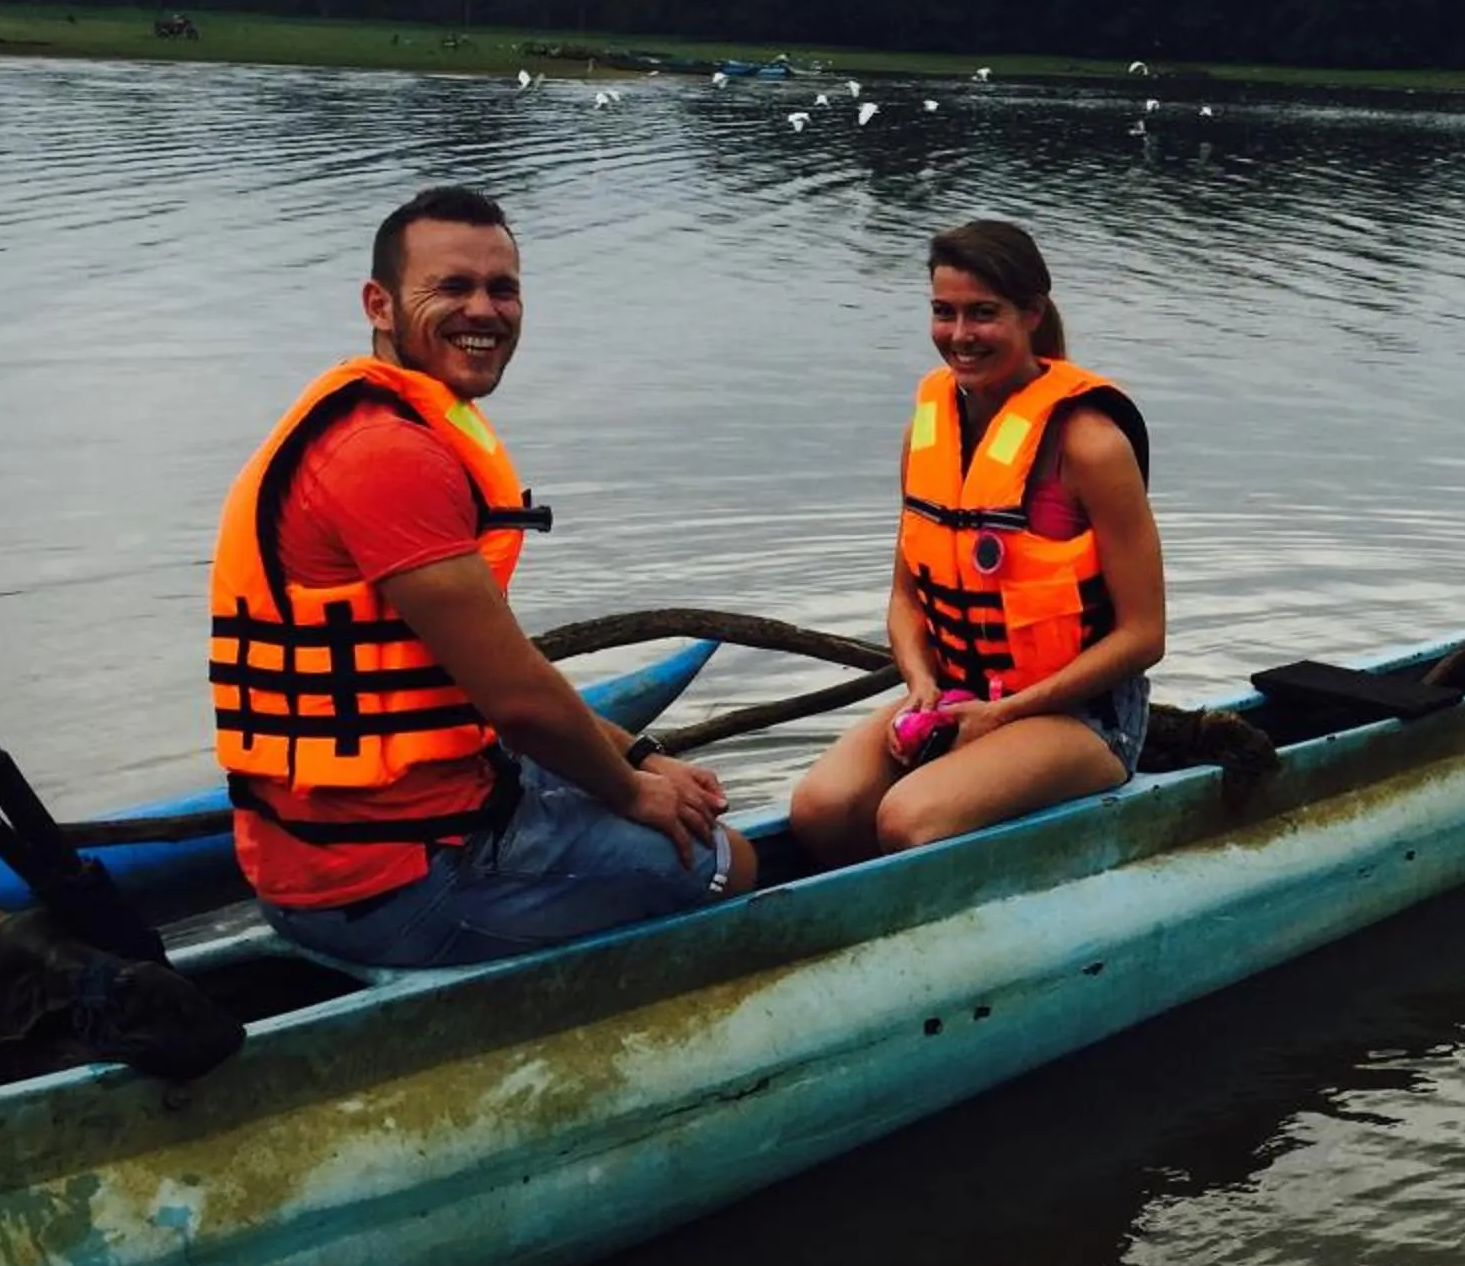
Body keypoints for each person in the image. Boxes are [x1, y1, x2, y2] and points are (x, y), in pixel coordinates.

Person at [209, 185, 754, 968]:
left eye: (503, 289)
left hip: (348, 851)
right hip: (396, 882)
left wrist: (636, 758)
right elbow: (519, 702)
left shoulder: (386, 420)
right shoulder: (387, 455)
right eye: (452, 287)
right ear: (381, 303)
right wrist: (634, 793)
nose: (484, 311)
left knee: (671, 806)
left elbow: (476, 684)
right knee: (728, 862)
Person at [790, 220, 1163, 865]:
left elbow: (1143, 635)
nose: (959, 336)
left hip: (1083, 718)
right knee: (820, 809)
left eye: (982, 314)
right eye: (944, 313)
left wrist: (1005, 714)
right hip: (956, 699)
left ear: (1030, 313)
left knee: (907, 819)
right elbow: (906, 595)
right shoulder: (928, 433)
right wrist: (920, 685)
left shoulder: (1091, 444)